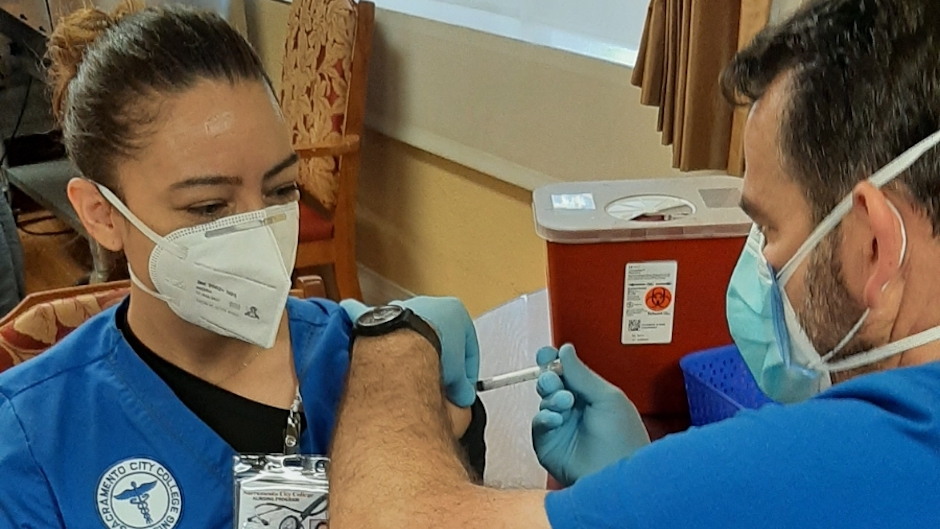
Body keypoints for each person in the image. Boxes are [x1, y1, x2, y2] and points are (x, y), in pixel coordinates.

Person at [326, 0, 940, 527]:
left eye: (769, 228)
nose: (758, 261)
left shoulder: (861, 453)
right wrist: (632, 481)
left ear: (875, 246)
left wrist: (395, 336)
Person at [0, 4, 485, 527]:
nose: (261, 232)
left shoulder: (362, 364)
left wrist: (452, 425)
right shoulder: (33, 438)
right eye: (208, 207)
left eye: (281, 190)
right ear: (101, 215)